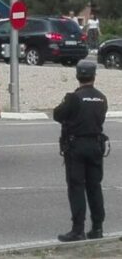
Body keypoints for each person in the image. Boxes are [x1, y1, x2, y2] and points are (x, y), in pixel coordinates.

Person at [53, 61, 108, 242]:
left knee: (76, 187)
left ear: (78, 76)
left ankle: (78, 230)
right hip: (95, 145)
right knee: (94, 187)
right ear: (94, 76)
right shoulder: (101, 98)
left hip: (76, 146)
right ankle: (98, 228)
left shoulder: (73, 97)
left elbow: (58, 115)